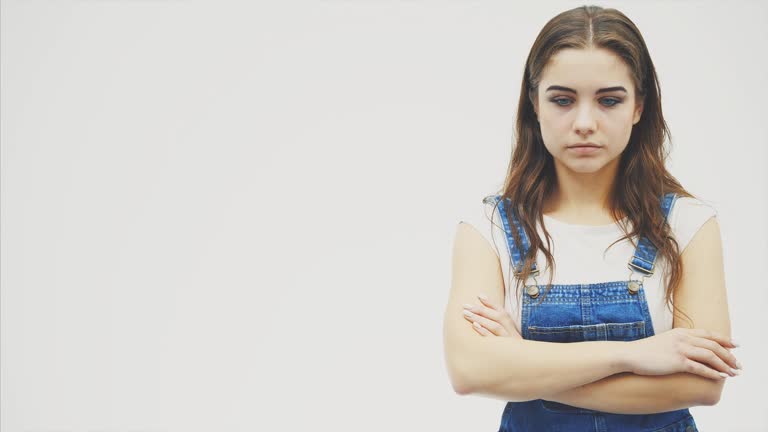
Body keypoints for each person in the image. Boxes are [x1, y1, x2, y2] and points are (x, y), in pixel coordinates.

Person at [442, 5, 740, 431]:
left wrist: (525, 367)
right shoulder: (487, 228)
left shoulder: (688, 225)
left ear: (639, 106)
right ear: (535, 105)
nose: (584, 122)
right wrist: (631, 355)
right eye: (562, 100)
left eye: (609, 100)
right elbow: (469, 371)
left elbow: (702, 384)